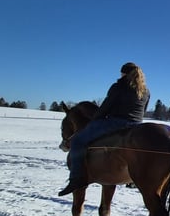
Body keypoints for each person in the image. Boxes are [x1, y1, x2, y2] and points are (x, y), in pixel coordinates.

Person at [58, 62, 150, 196]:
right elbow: (144, 110)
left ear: (124, 73)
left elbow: (106, 107)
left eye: (121, 73)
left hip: (116, 123)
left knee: (77, 140)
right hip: (136, 126)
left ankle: (76, 178)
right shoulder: (145, 91)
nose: (120, 75)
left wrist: (95, 120)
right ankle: (132, 179)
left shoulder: (119, 86)